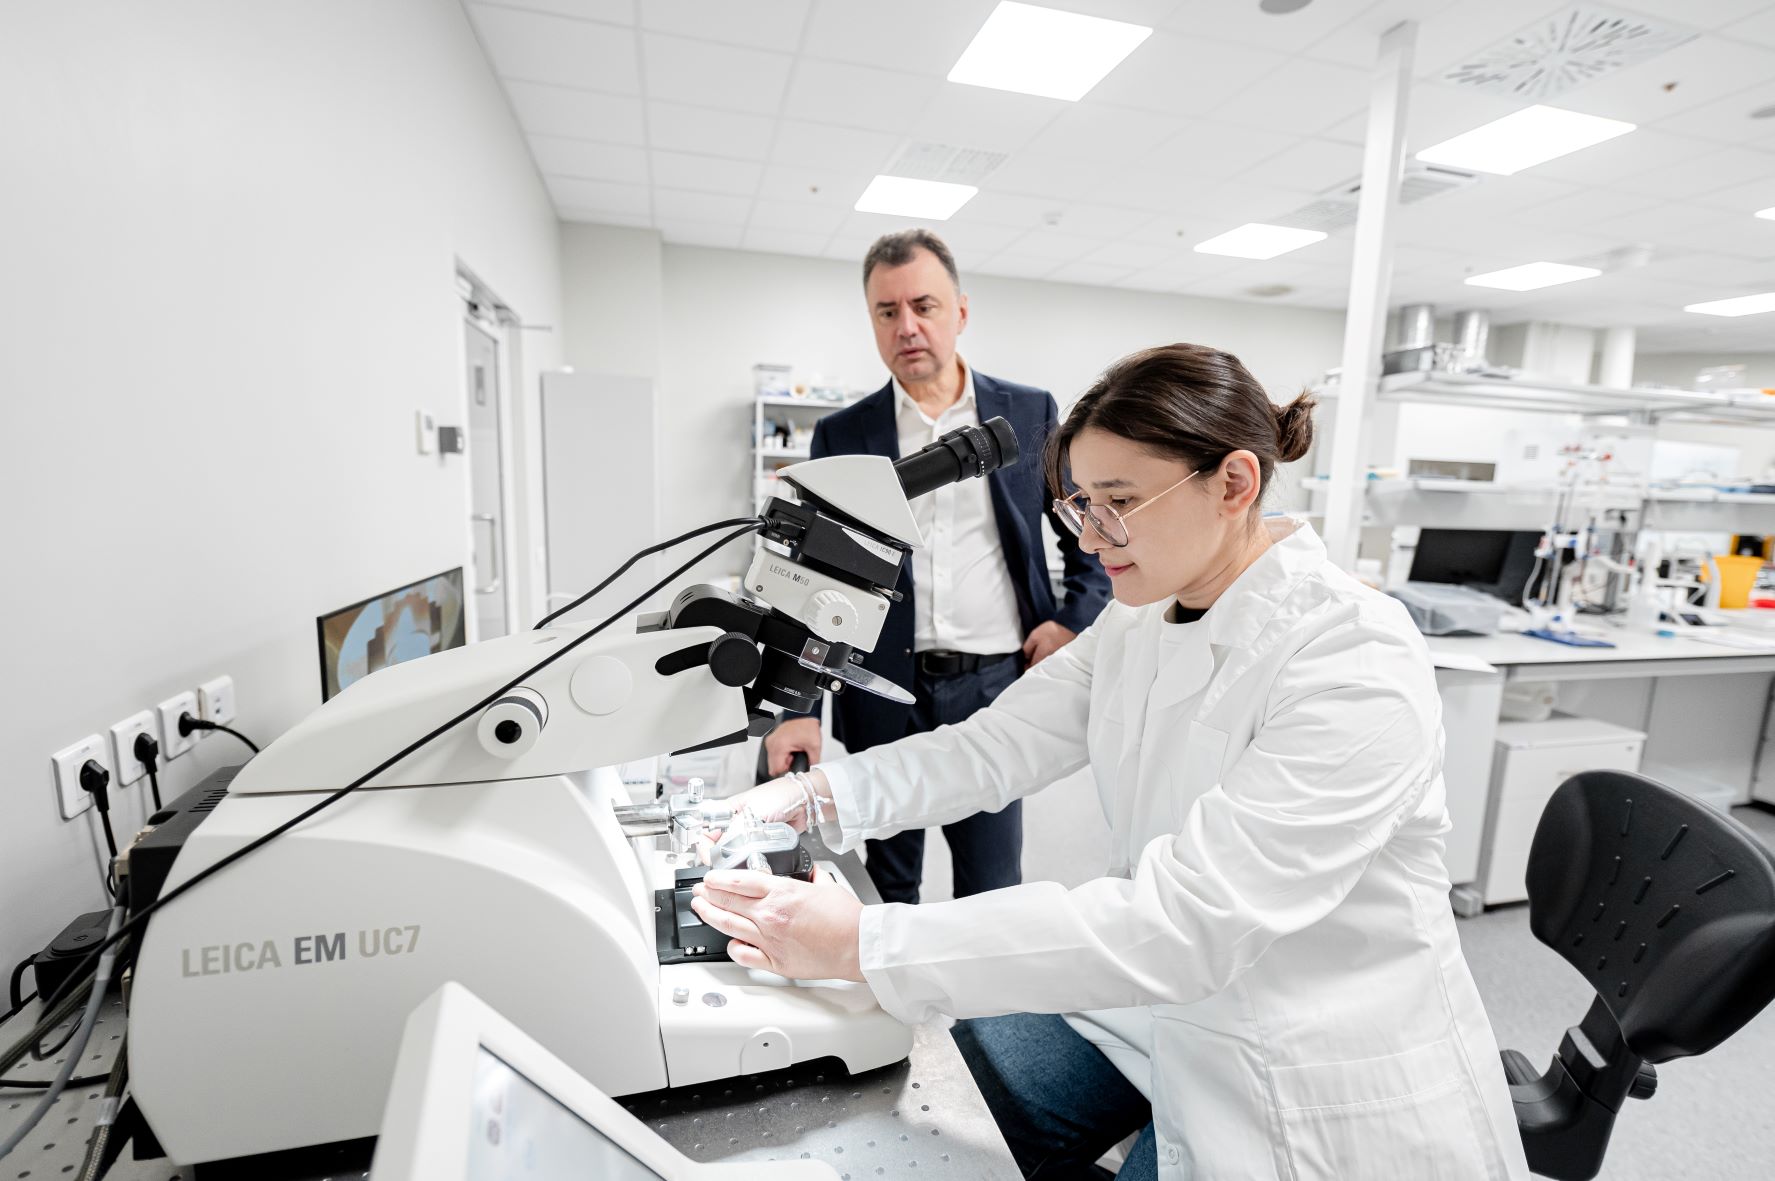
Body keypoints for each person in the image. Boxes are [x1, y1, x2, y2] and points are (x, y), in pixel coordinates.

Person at [691, 343, 1530, 1180]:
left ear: (1234, 483)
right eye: (1082, 505)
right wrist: (814, 796)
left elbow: (1185, 924)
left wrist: (864, 941)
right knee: (936, 1096)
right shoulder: (1141, 616)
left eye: (1119, 503)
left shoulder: (1352, 656)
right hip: (1156, 1010)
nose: (1091, 537)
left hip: (1301, 1059)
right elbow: (992, 745)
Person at [765, 228, 1109, 905]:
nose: (907, 326)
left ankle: (990, 980)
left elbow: (1086, 529)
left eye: (924, 306)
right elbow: (815, 579)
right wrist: (798, 707)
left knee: (992, 880)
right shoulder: (844, 433)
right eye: (887, 311)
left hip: (994, 684)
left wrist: (1072, 620)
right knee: (890, 882)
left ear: (960, 311)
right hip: (880, 686)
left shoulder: (1026, 411)